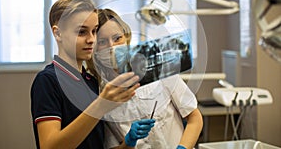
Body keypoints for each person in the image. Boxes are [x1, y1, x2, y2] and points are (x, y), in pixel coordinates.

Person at [30, 0, 154, 149]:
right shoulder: (48, 80)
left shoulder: (91, 82)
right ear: (58, 33)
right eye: (82, 32)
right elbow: (49, 147)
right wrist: (101, 105)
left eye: (94, 31)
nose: (91, 39)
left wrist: (128, 143)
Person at [87, 8, 203, 149]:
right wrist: (128, 142)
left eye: (117, 38)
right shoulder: (101, 94)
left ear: (126, 37)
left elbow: (194, 117)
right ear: (93, 48)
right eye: (102, 42)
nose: (112, 47)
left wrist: (183, 148)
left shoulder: (158, 68)